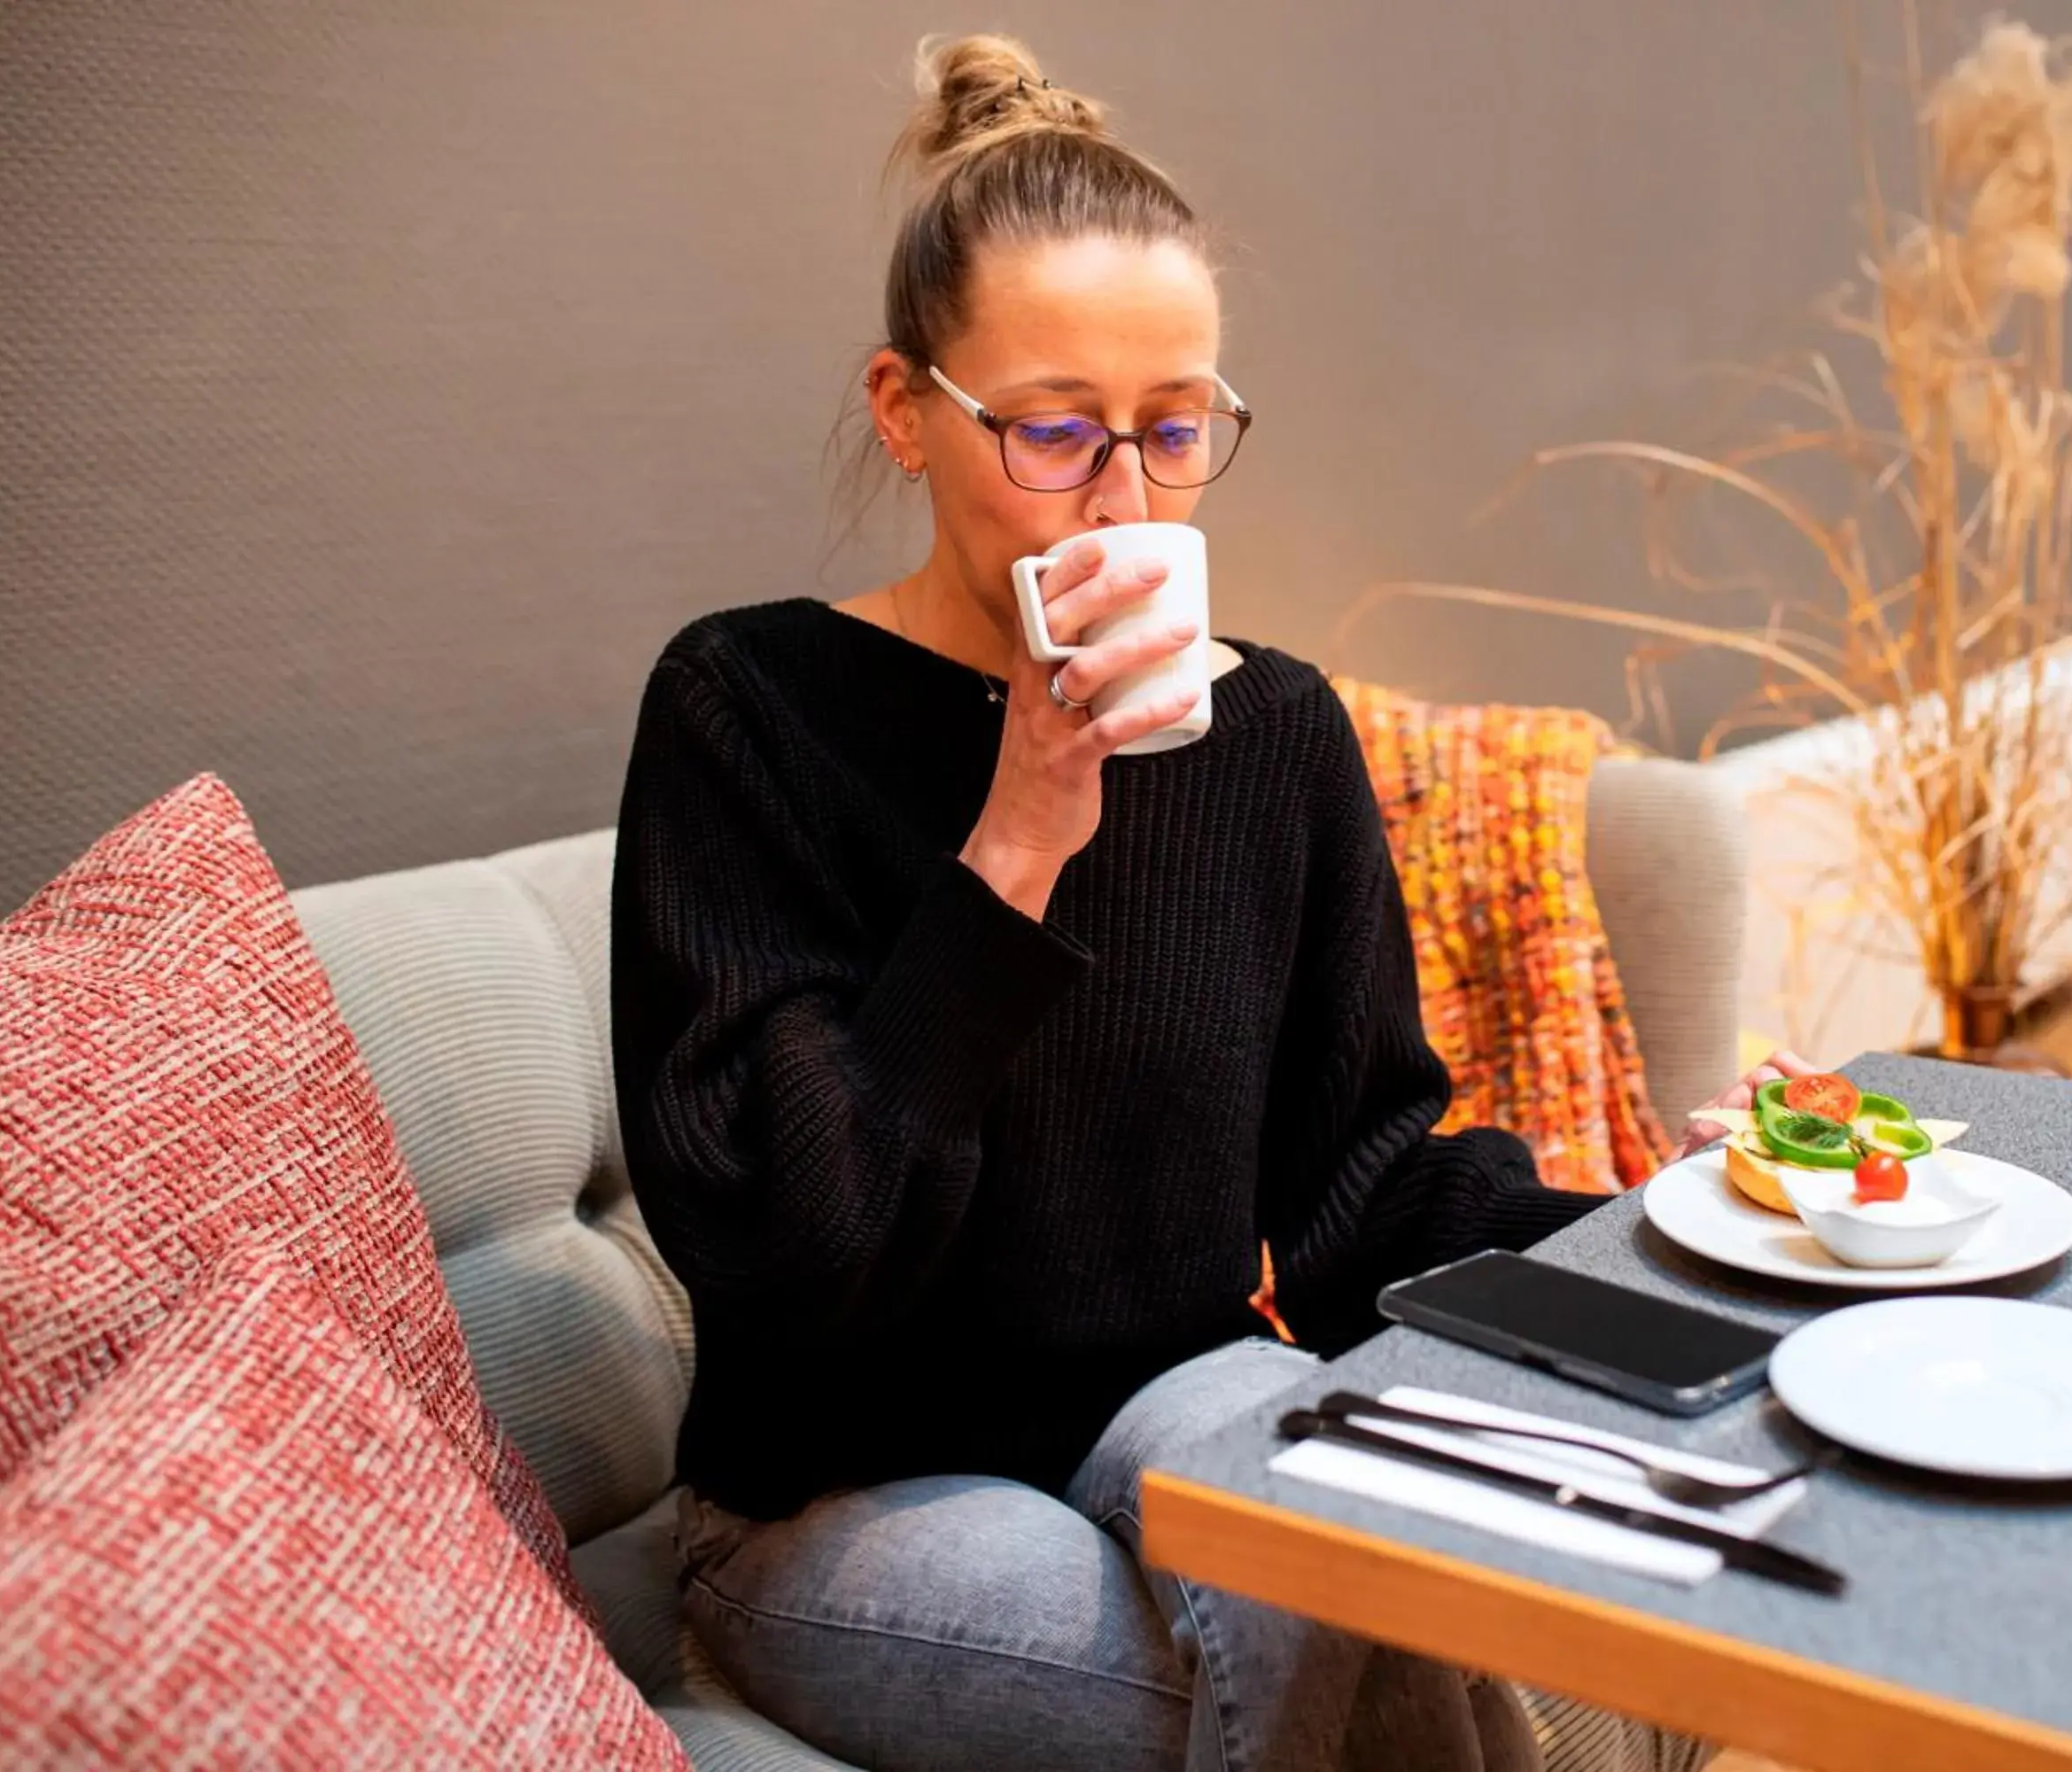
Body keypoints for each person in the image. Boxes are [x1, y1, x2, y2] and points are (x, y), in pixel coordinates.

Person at [611, 34, 1808, 1772]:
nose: (1126, 494)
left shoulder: (1275, 734)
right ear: (904, 408)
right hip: (841, 1485)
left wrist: (1655, 1231)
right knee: (1397, 1687)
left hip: (1172, 1394)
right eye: (1052, 432)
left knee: (1355, 1571)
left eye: (1176, 429)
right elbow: (794, 1251)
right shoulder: (747, 712)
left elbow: (1366, 1188)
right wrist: (1020, 831)